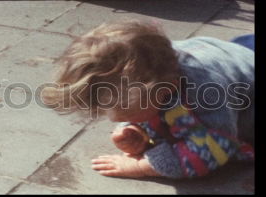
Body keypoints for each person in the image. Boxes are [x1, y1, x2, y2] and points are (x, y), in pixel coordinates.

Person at [42, 19, 254, 179]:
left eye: (125, 111)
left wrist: (144, 166)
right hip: (228, 55)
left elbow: (216, 148)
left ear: (166, 89)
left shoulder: (207, 91)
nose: (114, 119)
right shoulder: (155, 69)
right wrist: (137, 130)